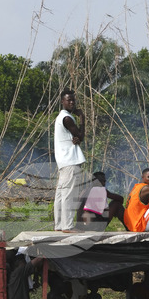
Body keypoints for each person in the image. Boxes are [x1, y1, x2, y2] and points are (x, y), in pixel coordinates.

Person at [53, 89, 87, 231]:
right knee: (69, 194)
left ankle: (59, 225)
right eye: (69, 100)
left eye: (73, 100)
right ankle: (67, 226)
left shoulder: (62, 117)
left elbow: (77, 137)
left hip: (63, 162)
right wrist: (82, 118)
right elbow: (81, 136)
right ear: (62, 101)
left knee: (61, 194)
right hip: (70, 162)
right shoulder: (67, 118)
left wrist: (77, 137)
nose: (72, 102)